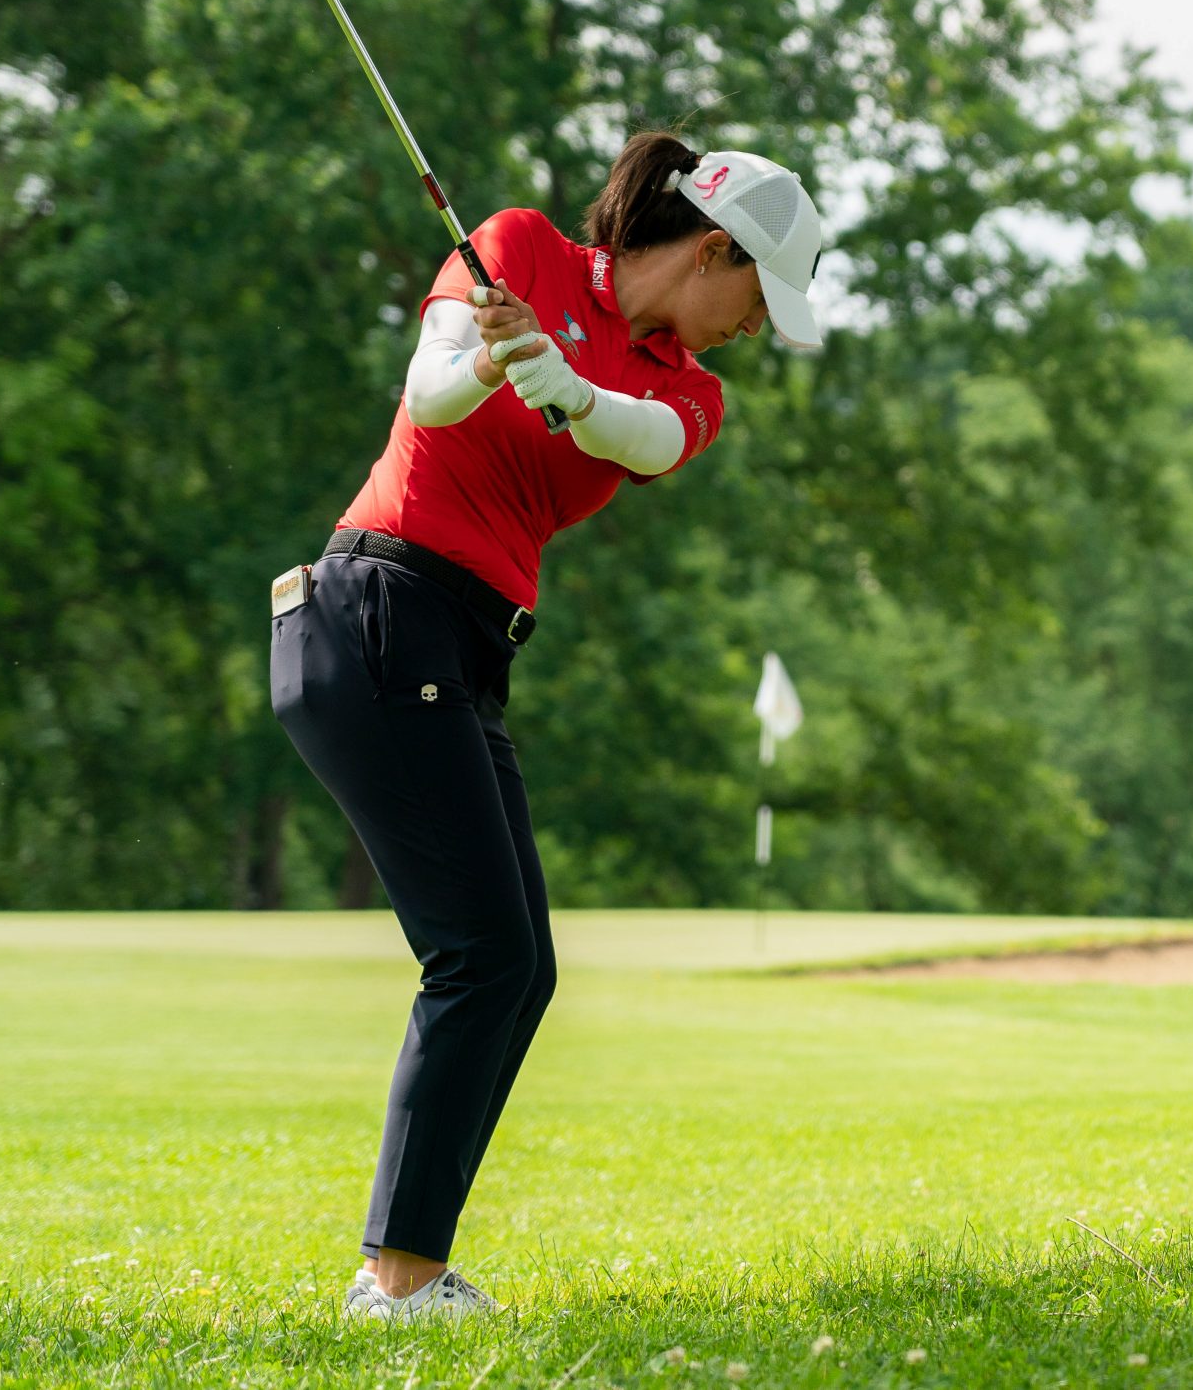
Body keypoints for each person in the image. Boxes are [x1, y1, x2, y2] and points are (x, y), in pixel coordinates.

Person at [268, 132, 826, 1322]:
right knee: (484, 958)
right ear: (714, 247)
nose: (755, 326)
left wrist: (570, 391)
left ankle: (403, 1268)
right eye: (756, 295)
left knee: (522, 966)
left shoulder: (687, 383)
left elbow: (649, 437)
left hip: (463, 649)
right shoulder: (516, 247)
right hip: (377, 607)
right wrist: (487, 357)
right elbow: (428, 391)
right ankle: (399, 1281)